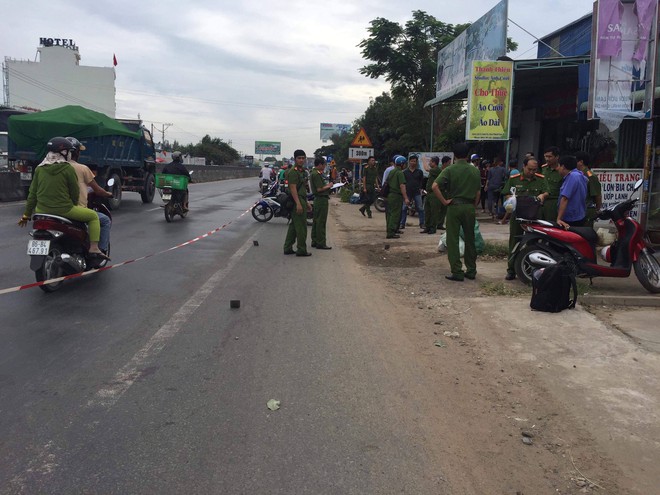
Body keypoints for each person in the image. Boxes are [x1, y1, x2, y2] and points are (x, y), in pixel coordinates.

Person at [18, 136, 107, 259]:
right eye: (69, 152)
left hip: (41, 212)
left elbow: (32, 194)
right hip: (64, 210)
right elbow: (74, 192)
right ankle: (94, 248)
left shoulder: (39, 169)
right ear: (64, 153)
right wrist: (73, 204)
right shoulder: (67, 169)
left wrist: (26, 215)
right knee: (93, 217)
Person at [432, 142, 481, 281]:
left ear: (454, 155)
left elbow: (435, 186)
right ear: (467, 155)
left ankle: (457, 272)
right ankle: (471, 270)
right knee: (470, 239)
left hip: (454, 206)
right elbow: (478, 192)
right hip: (469, 207)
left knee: (452, 240)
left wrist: (444, 201)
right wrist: (474, 206)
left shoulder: (450, 170)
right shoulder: (475, 170)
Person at [501, 157, 549, 280]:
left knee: (533, 244)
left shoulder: (541, 179)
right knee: (515, 242)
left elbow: (546, 192)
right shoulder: (514, 179)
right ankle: (511, 269)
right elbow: (506, 193)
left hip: (533, 217)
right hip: (518, 217)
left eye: (534, 170)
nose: (532, 172)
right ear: (523, 167)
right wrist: (509, 200)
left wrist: (542, 195)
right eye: (529, 169)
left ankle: (530, 269)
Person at [66, 137, 113, 254]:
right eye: (79, 151)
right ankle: (96, 249)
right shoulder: (82, 168)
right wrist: (108, 194)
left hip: (47, 210)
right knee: (102, 219)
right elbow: (97, 190)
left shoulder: (48, 167)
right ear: (75, 153)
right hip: (71, 209)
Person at [283, 149, 312, 256]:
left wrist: (306, 202)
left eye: (303, 158)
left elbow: (303, 189)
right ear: (295, 159)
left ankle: (287, 247)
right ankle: (301, 249)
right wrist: (299, 203)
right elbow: (293, 188)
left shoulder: (302, 171)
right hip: (297, 200)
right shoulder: (293, 172)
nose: (301, 160)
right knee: (301, 227)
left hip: (302, 199)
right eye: (299, 158)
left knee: (294, 226)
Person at [556, 155, 588, 229]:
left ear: (563, 167)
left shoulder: (572, 177)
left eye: (559, 166)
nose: (558, 169)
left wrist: (559, 219)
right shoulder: (580, 175)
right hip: (579, 215)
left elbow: (565, 198)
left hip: (571, 219)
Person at [310, 156, 332, 249]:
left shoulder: (315, 173)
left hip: (318, 199)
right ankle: (321, 242)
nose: (324, 167)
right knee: (321, 221)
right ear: (320, 165)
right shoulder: (316, 174)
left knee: (316, 221)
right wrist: (329, 186)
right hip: (321, 199)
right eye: (324, 165)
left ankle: (315, 240)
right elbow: (319, 189)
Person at [385, 155, 410, 239]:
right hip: (396, 196)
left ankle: (389, 230)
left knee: (390, 214)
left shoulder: (392, 171)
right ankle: (391, 233)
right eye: (405, 164)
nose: (406, 165)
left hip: (390, 195)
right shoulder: (400, 173)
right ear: (402, 164)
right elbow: (402, 186)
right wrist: (406, 198)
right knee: (395, 214)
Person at [575, 151, 602, 228]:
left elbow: (597, 195)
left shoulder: (590, 175)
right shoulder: (576, 174)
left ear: (581, 162)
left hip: (587, 210)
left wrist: (597, 209)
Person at [400, 154, 425, 231]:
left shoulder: (419, 172)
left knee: (420, 208)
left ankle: (422, 223)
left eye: (415, 161)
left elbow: (421, 181)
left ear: (417, 162)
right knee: (404, 208)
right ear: (409, 162)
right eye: (412, 161)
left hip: (417, 192)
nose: (413, 163)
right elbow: (402, 183)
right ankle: (402, 223)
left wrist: (421, 189)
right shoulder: (404, 172)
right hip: (407, 192)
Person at [541, 146, 563, 222]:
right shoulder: (543, 169)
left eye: (550, 156)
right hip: (542, 201)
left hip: (555, 202)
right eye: (545, 156)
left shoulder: (562, 171)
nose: (547, 159)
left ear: (557, 157)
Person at [422, 156, 442, 234]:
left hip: (434, 194)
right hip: (429, 193)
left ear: (434, 162)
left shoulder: (436, 170)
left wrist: (423, 160)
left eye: (430, 162)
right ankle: (427, 227)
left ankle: (433, 228)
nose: (429, 163)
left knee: (434, 212)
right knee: (427, 211)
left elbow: (426, 169)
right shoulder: (434, 170)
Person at [437, 156, 453, 230]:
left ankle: (440, 223)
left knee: (444, 209)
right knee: (437, 209)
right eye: (449, 162)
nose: (450, 164)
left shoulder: (449, 171)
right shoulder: (440, 170)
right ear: (445, 163)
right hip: (439, 191)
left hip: (446, 191)